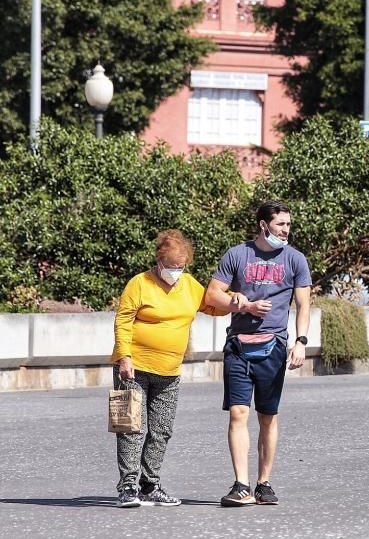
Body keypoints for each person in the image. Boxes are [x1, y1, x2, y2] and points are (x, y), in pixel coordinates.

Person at [111, 229, 231, 508]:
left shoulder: (189, 285)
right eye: (171, 266)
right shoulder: (139, 283)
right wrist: (124, 357)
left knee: (161, 429)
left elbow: (212, 306)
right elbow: (123, 320)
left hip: (169, 371)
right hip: (134, 367)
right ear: (159, 260)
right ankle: (127, 485)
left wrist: (235, 301)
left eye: (181, 267)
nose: (176, 272)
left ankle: (150, 484)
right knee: (130, 426)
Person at [205, 200, 312, 507]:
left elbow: (304, 304)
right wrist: (240, 303)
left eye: (289, 224)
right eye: (281, 224)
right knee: (239, 413)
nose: (286, 230)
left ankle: (264, 483)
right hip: (238, 345)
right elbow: (212, 294)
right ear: (264, 225)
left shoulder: (295, 259)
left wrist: (301, 342)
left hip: (274, 347)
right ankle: (241, 485)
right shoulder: (237, 254)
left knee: (267, 416)